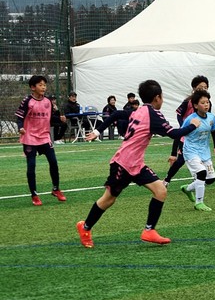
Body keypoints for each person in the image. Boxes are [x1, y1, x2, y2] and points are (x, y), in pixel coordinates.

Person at [75, 79, 201, 248]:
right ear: (157, 97)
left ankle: (149, 230)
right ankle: (85, 227)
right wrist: (192, 125)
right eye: (162, 96)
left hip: (136, 164)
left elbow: (116, 115)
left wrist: (98, 131)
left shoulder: (139, 110)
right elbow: (174, 133)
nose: (162, 100)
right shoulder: (153, 115)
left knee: (160, 190)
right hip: (122, 164)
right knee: (108, 200)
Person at [15, 75, 68, 206]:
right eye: (40, 85)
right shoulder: (27, 101)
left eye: (44, 85)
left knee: (53, 162)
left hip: (44, 137)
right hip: (30, 138)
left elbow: (50, 118)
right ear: (33, 87)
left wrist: (60, 120)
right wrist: (21, 127)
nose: (43, 87)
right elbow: (20, 117)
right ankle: (34, 194)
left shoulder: (48, 102)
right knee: (31, 166)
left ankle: (56, 189)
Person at [177, 89, 215, 212]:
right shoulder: (190, 119)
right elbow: (179, 134)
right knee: (202, 173)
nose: (206, 105)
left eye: (207, 102)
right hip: (190, 151)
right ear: (196, 105)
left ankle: (187, 188)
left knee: (210, 179)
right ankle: (199, 203)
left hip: (204, 152)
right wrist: (176, 151)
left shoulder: (212, 117)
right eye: (203, 103)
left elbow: (214, 131)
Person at [163, 75, 209, 186]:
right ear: (194, 88)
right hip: (188, 133)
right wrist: (184, 126)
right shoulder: (188, 101)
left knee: (200, 158)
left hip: (199, 136)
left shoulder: (207, 102)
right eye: (201, 87)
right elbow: (179, 114)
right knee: (180, 160)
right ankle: (167, 180)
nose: (203, 89)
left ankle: (198, 179)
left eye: (205, 87)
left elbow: (207, 117)